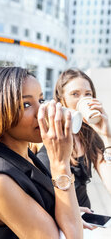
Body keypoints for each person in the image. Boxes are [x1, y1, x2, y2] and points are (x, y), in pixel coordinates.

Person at [0, 66, 83, 239]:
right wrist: (60, 163)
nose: (41, 112)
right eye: (26, 104)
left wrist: (71, 211)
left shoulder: (25, 155)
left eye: (41, 100)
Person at [36, 68, 111, 212]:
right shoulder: (49, 138)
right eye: (75, 94)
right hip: (63, 220)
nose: (83, 99)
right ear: (61, 100)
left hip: (87, 218)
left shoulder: (89, 136)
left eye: (88, 94)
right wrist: (73, 213)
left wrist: (107, 137)